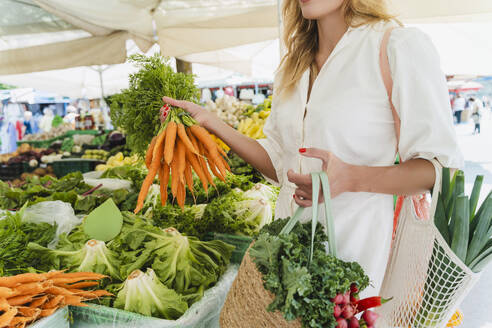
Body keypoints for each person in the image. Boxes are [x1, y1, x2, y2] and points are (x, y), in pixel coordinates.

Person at [162, 0, 462, 297]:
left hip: (355, 258)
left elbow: (441, 169)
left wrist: (351, 178)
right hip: (287, 259)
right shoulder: (293, 64)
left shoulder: (396, 46)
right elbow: (281, 165)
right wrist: (211, 122)